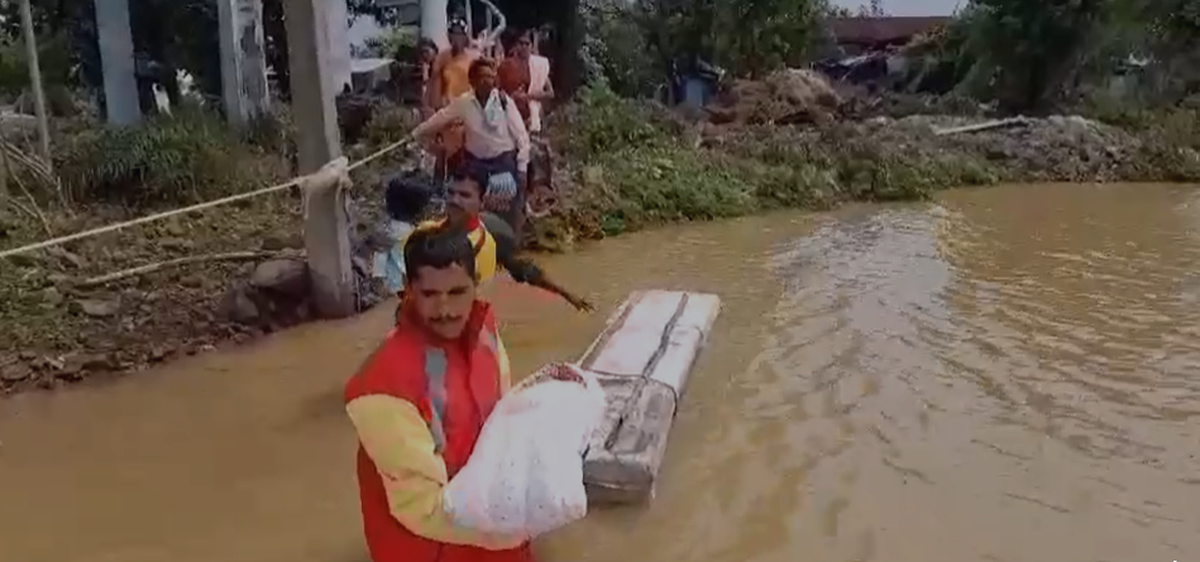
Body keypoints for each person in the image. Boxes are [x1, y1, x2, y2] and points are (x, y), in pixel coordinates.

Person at [346, 223, 579, 562]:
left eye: (457, 292)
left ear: (476, 286)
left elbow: (502, 415)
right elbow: (420, 509)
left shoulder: (484, 331)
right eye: (430, 294)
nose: (445, 309)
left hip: (490, 529)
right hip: (431, 548)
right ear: (409, 290)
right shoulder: (382, 386)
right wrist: (516, 525)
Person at [414, 166, 592, 312]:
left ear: (482, 201)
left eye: (464, 195)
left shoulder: (494, 234)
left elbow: (527, 271)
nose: (455, 200)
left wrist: (567, 294)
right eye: (450, 193)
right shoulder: (425, 233)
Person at [413, 58, 530, 238]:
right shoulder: (464, 102)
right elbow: (441, 118)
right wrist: (416, 133)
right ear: (473, 79)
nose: (487, 81)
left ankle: (509, 246)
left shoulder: (504, 101)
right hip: (476, 165)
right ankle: (472, 244)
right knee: (469, 209)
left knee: (506, 210)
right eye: (482, 76)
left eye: (491, 77)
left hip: (503, 164)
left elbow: (522, 137)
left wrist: (522, 168)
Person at [372, 173, 435, 321]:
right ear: (418, 210)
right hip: (410, 287)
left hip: (394, 290)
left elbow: (379, 266)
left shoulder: (386, 234)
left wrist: (381, 286)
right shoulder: (419, 233)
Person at [497, 29, 554, 134]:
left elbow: (550, 93)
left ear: (531, 46)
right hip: (508, 116)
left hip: (530, 117)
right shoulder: (505, 65)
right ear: (516, 45)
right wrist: (509, 98)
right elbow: (496, 90)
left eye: (526, 43)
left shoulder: (538, 66)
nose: (523, 47)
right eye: (520, 43)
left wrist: (527, 97)